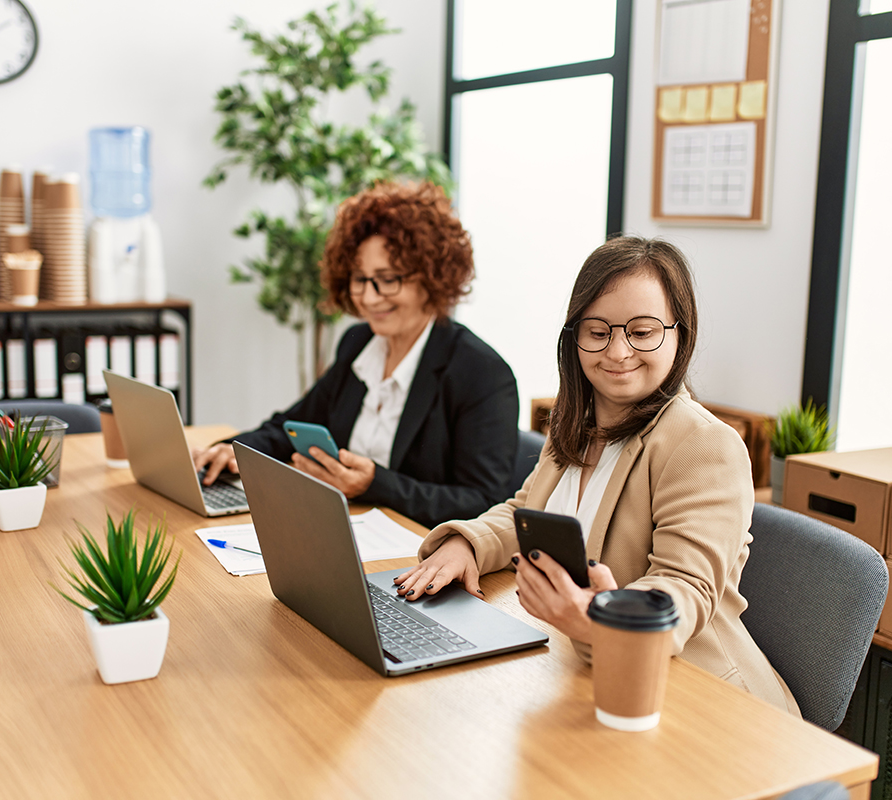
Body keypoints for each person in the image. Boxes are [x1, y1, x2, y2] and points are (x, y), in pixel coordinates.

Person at [395, 235, 800, 716]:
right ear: (575, 337)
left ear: (679, 334)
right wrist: (468, 544)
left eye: (643, 331)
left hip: (698, 697)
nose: (618, 351)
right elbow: (525, 513)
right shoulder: (577, 422)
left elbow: (684, 588)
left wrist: (602, 618)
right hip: (589, 673)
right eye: (598, 331)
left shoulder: (703, 444)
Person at [192, 181, 519, 529]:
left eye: (387, 279)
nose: (369, 297)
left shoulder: (481, 372)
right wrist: (236, 449)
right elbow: (293, 424)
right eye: (359, 279)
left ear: (432, 276)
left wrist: (375, 485)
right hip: (345, 527)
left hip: (421, 550)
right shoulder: (359, 343)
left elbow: (485, 503)